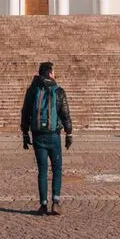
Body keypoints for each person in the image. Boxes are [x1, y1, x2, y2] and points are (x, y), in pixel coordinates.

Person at [20, 61, 73, 215]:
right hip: (53, 136)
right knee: (56, 169)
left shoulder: (32, 90)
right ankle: (55, 203)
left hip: (37, 136)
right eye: (53, 71)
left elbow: (25, 112)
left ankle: (43, 205)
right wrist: (69, 133)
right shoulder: (59, 91)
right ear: (50, 73)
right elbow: (65, 114)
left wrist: (25, 133)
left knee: (42, 171)